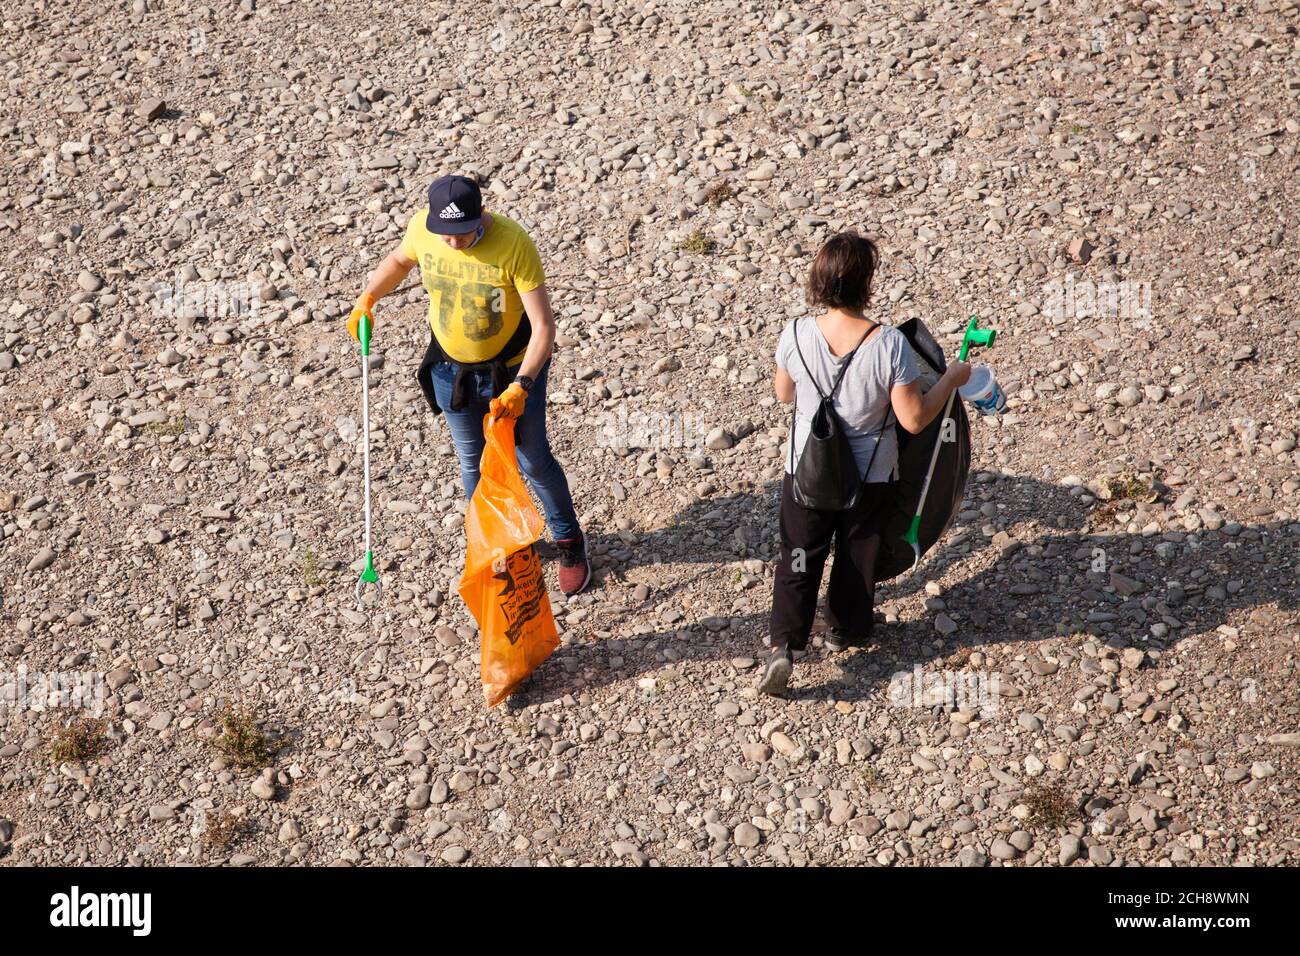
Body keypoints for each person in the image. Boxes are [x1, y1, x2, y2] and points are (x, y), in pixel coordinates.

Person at [346, 174, 592, 595]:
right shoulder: (424, 229)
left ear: (481, 216)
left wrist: (522, 387)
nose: (454, 242)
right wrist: (369, 296)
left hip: (512, 372)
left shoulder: (514, 244)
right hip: (449, 370)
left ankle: (569, 542)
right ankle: (498, 544)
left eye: (462, 233)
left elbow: (544, 329)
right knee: (472, 463)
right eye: (446, 234)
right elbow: (400, 262)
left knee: (532, 461)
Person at [758, 232, 971, 696]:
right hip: (870, 476)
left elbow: (785, 394)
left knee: (798, 555)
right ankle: (846, 629)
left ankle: (783, 647)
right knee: (857, 554)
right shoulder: (889, 344)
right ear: (866, 283)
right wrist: (951, 379)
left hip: (807, 472)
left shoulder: (795, 333)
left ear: (819, 279)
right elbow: (913, 419)